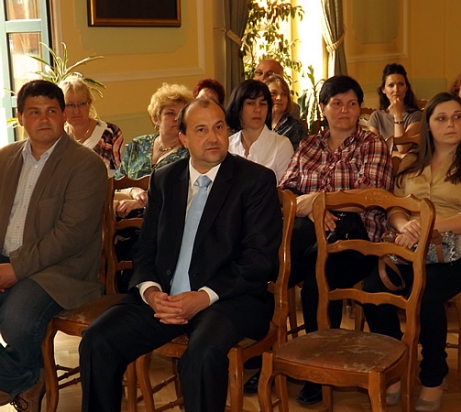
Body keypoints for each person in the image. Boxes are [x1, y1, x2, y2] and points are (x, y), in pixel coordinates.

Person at [79, 98, 282, 412]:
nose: (213, 137)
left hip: (229, 298)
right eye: (201, 130)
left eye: (219, 127)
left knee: (201, 355)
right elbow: (146, 247)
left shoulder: (255, 180)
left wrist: (202, 297)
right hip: (166, 297)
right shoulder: (165, 179)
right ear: (184, 138)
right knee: (97, 340)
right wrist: (151, 292)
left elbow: (259, 259)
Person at [362, 92, 461, 412]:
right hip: (410, 247)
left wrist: (426, 225)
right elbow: (394, 207)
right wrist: (403, 225)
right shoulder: (411, 162)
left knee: (427, 292)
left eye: (457, 117)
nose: (451, 124)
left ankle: (434, 377)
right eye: (442, 118)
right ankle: (394, 367)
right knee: (374, 290)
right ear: (428, 125)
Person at [277, 75, 393, 405]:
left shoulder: (372, 144)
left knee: (318, 279)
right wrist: (313, 209)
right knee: (266, 268)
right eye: (337, 103)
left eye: (352, 103)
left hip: (358, 239)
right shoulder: (308, 146)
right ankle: (267, 356)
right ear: (322, 108)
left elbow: (370, 196)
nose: (345, 110)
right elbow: (285, 193)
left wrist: (319, 202)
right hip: (308, 232)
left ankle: (319, 369)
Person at [0, 80, 107, 411]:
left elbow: (70, 235)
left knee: (16, 319)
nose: (44, 119)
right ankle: (24, 379)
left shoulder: (85, 164)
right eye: (34, 112)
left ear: (63, 116)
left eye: (51, 111)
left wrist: (15, 270)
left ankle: (17, 379)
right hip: (6, 259)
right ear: (21, 118)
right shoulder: (4, 158)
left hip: (61, 270)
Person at [114, 83, 192, 218]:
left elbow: (184, 194)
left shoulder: (190, 152)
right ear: (156, 119)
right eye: (170, 113)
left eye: (182, 114)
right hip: (121, 214)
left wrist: (143, 205)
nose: (176, 118)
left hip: (164, 219)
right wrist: (133, 191)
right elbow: (116, 182)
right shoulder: (138, 144)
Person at [226, 79, 294, 181]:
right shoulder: (228, 145)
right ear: (238, 108)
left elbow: (285, 188)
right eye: (250, 103)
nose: (258, 109)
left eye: (262, 104)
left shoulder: (281, 145)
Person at [60, 75, 124, 175]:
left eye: (82, 104)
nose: (76, 111)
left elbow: (121, 176)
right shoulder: (58, 139)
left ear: (89, 103)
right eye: (70, 105)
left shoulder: (110, 134)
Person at [367, 63, 422, 154]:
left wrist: (398, 115)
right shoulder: (376, 116)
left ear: (406, 88)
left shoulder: (417, 115)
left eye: (400, 84)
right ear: (383, 89)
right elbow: (374, 150)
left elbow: (402, 148)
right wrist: (396, 155)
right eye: (391, 85)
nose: (396, 90)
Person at [265, 73, 307, 149]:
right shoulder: (258, 125)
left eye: (284, 94)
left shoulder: (297, 129)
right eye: (273, 94)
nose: (279, 98)